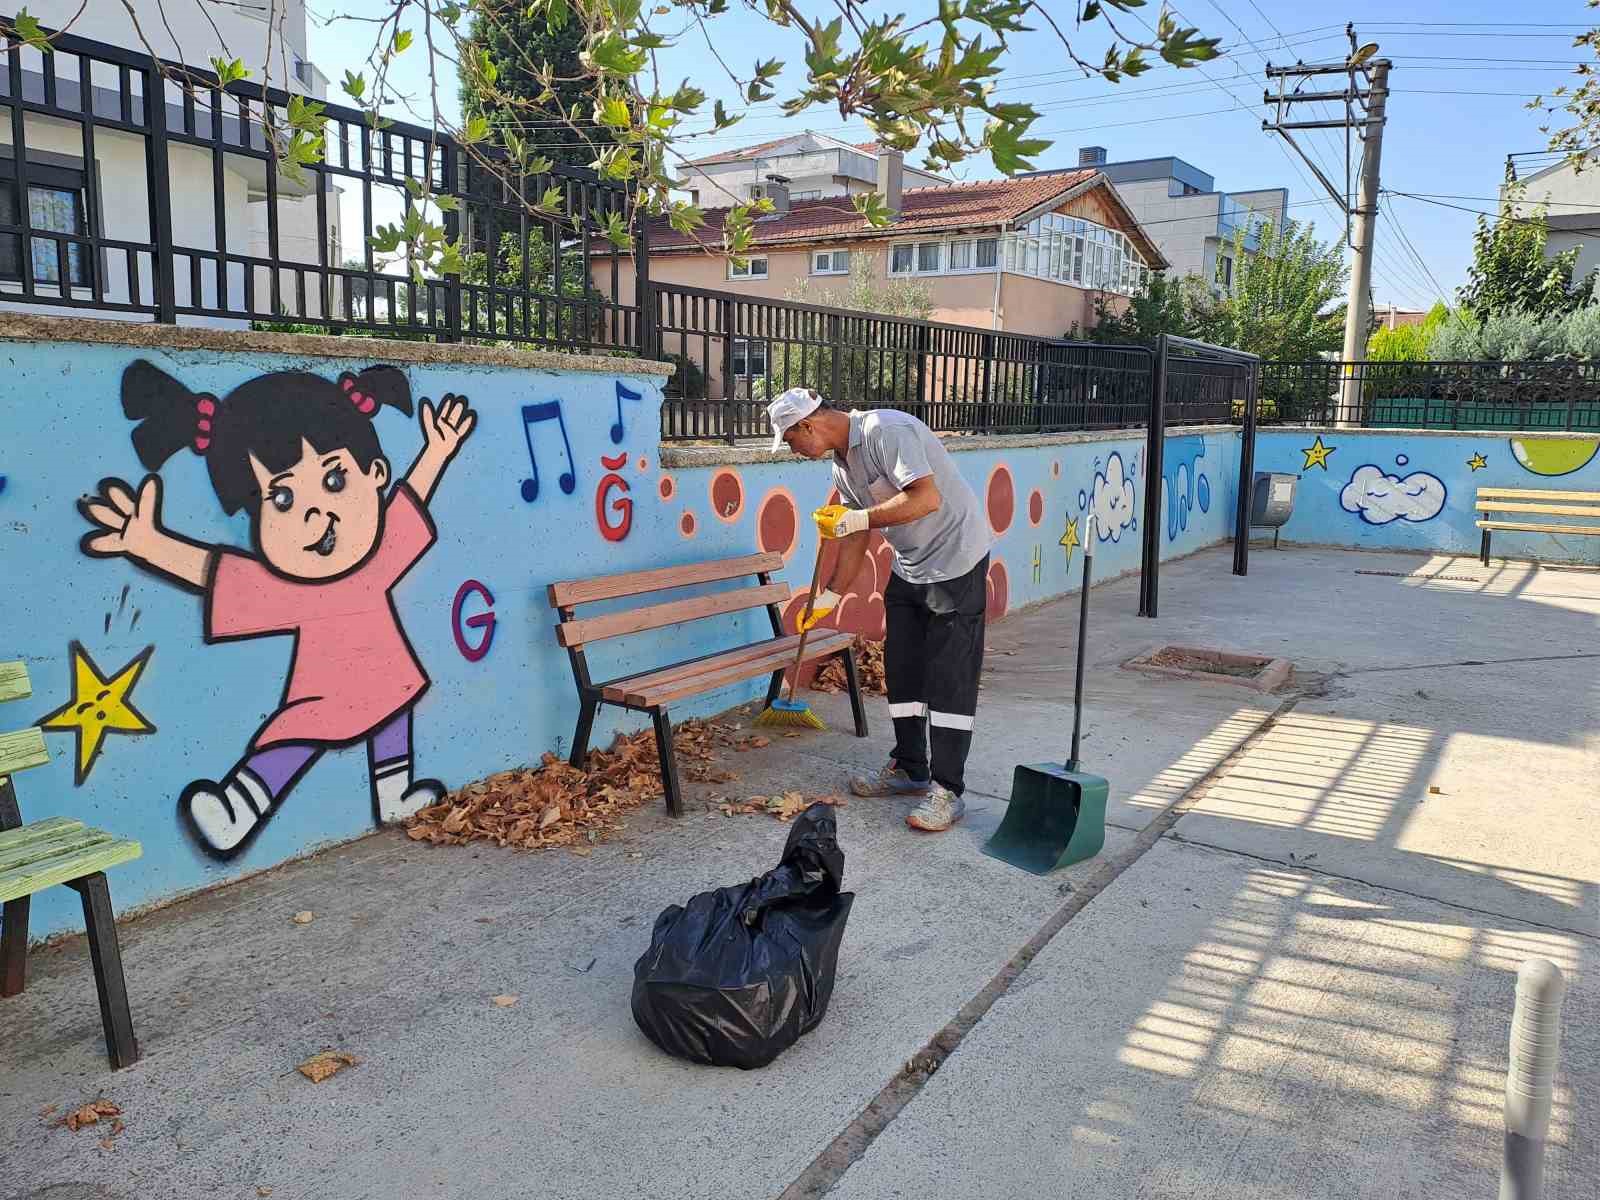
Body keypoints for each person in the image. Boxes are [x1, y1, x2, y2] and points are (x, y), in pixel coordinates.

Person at [78, 361, 476, 858]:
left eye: (334, 481)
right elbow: (212, 571)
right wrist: (149, 545)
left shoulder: (379, 555)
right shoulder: (287, 589)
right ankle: (238, 808)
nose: (315, 514)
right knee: (298, 738)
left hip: (387, 673)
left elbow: (411, 499)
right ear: (255, 515)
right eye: (282, 497)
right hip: (324, 693)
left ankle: (394, 794)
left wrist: (437, 450)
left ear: (375, 473)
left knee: (394, 714)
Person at [768, 387, 992, 832]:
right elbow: (854, 535)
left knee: (949, 676)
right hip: (910, 566)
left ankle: (948, 789)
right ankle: (910, 767)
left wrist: (859, 518)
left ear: (808, 425)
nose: (794, 451)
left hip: (956, 560)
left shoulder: (886, 430)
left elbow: (926, 499)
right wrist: (831, 595)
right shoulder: (842, 466)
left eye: (791, 441)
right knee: (903, 668)